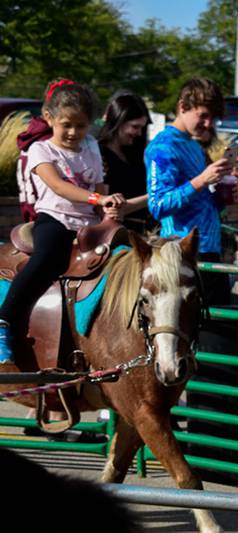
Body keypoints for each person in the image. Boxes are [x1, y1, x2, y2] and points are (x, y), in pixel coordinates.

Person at [0, 83, 124, 363]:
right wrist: (97, 199)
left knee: (123, 259)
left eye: (81, 126)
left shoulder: (91, 145)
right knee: (46, 259)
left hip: (90, 222)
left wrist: (109, 211)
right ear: (49, 118)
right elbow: (58, 186)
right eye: (66, 124)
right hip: (55, 219)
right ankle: (4, 321)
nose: (73, 132)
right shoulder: (40, 151)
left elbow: (100, 184)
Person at [145, 78, 236, 305]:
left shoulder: (193, 144)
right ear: (182, 107)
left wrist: (222, 197)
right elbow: (158, 205)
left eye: (212, 118)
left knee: (218, 325)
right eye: (203, 116)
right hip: (183, 253)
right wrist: (201, 181)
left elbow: (201, 199)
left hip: (208, 249)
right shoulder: (162, 147)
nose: (208, 124)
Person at [16, 79, 75, 222]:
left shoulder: (34, 136)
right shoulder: (45, 143)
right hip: (52, 218)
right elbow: (61, 186)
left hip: (35, 213)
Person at [98, 90, 153, 233]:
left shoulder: (135, 154)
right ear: (118, 120)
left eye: (142, 127)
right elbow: (109, 207)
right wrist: (154, 196)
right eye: (135, 127)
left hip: (143, 229)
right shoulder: (99, 154)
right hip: (117, 233)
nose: (139, 133)